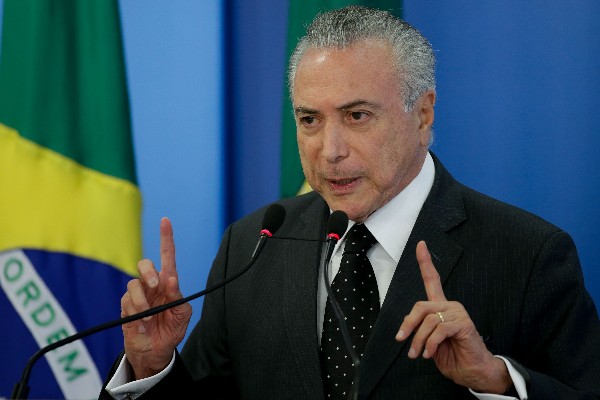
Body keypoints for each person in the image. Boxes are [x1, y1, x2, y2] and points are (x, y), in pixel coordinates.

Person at [101, 5, 600, 400]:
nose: (330, 151)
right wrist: (152, 366)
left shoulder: (528, 254)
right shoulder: (252, 247)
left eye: (357, 116)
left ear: (423, 114)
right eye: (309, 120)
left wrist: (494, 380)